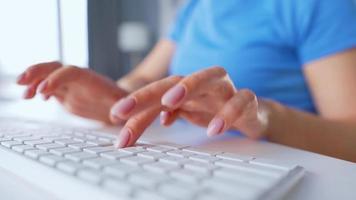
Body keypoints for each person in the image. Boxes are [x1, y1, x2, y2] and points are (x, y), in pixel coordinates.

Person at [17, 0, 356, 162]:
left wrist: (263, 116)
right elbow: (144, 75)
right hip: (192, 159)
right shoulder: (196, 7)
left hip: (275, 165)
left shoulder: (320, 5)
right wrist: (116, 97)